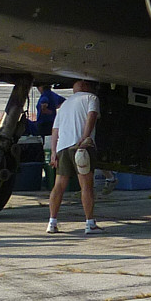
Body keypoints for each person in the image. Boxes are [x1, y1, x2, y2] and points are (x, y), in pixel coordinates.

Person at [47, 78, 101, 234]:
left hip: (63, 147)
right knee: (86, 186)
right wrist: (84, 138)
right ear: (85, 86)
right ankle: (90, 223)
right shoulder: (91, 98)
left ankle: (52, 222)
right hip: (81, 147)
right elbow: (91, 117)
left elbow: (55, 130)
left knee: (59, 186)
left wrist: (53, 152)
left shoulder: (64, 105)